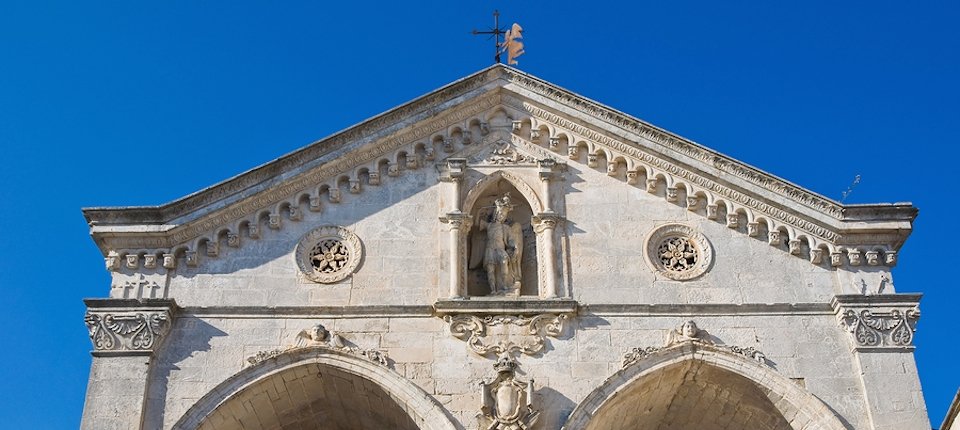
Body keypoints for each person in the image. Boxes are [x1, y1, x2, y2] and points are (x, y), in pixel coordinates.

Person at [477, 194, 524, 295]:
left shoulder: (505, 228)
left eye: (503, 215)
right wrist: (479, 213)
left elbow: (511, 239)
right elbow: (477, 224)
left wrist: (514, 246)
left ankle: (505, 286)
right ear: (496, 213)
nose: (501, 216)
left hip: (500, 249)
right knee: (490, 270)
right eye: (500, 214)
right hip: (490, 249)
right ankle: (493, 290)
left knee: (504, 260)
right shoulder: (489, 225)